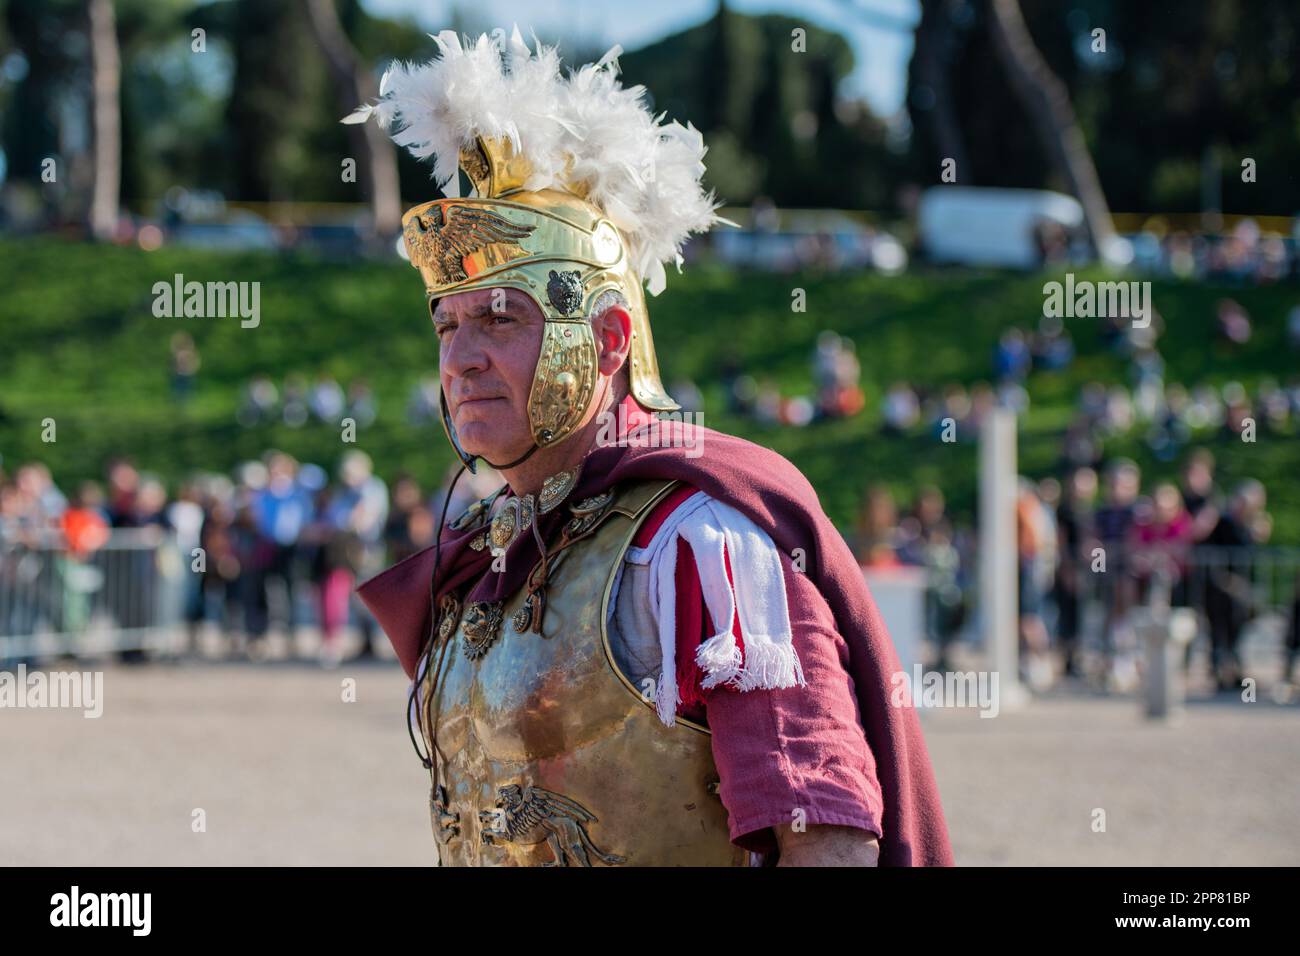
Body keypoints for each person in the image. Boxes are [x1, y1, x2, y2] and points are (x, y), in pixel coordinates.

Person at [350, 29, 951, 868]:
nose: (461, 357)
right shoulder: (491, 552)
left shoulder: (698, 544)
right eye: (448, 324)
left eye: (501, 318)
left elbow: (824, 840)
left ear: (606, 338)